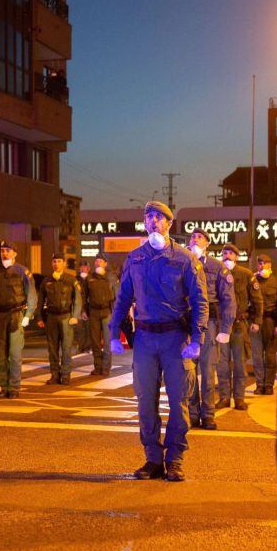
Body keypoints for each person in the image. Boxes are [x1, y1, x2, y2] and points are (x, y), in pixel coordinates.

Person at [109, 201, 207, 482]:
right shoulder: (135, 258)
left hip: (176, 339)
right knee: (145, 401)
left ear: (169, 224)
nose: (153, 222)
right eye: (148, 217)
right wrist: (115, 332)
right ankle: (152, 458)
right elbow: (123, 298)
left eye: (158, 218)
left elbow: (200, 301)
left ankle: (174, 459)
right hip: (145, 339)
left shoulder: (186, 259)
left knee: (179, 401)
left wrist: (197, 338)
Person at [187, 230, 235, 428]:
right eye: (193, 237)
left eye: (200, 238)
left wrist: (226, 328)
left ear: (207, 244)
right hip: (186, 324)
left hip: (209, 323)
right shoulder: (180, 262)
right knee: (188, 371)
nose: (195, 239)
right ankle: (191, 413)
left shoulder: (217, 266)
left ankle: (207, 414)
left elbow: (228, 299)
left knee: (207, 371)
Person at [0, 240, 36, 398]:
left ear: (15, 253)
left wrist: (28, 315)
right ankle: (3, 386)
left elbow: (31, 295)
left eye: (7, 250)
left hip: (16, 315)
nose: (4, 253)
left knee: (14, 354)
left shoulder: (22, 272)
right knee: (0, 355)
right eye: (2, 250)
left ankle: (14, 388)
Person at [215, 243, 261, 411]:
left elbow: (257, 299)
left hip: (240, 324)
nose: (227, 256)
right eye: (224, 253)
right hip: (221, 325)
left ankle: (239, 398)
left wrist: (257, 320)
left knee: (240, 363)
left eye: (231, 253)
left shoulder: (246, 274)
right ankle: (224, 397)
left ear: (237, 256)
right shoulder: (216, 273)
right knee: (222, 363)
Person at [36, 252, 82, 384]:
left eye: (59, 261)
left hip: (66, 317)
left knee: (67, 348)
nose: (56, 264)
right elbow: (40, 301)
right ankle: (54, 374)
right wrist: (39, 317)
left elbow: (78, 300)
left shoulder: (71, 280)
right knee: (52, 348)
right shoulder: (46, 281)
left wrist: (75, 316)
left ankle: (66, 375)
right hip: (51, 317)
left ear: (64, 263)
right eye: (54, 261)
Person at [251, 253, 277, 395]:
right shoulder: (252, 281)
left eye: (265, 263)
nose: (262, 266)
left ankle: (269, 384)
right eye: (260, 263)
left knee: (270, 355)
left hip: (271, 322)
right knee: (257, 355)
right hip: (255, 322)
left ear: (270, 265)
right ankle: (260, 384)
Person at [84, 254, 118, 375]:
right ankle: (97, 367)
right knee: (95, 342)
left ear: (105, 264)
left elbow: (117, 296)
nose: (98, 263)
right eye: (96, 261)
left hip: (107, 312)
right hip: (93, 312)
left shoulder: (111, 278)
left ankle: (106, 367)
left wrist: (116, 313)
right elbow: (84, 296)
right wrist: (84, 311)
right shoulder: (89, 278)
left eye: (100, 261)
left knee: (107, 342)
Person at [75, 261, 92, 353]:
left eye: (85, 267)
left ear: (88, 268)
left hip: (90, 308)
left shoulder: (92, 279)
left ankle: (88, 347)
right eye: (81, 267)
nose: (82, 268)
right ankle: (81, 347)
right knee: (79, 329)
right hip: (78, 308)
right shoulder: (75, 280)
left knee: (89, 328)